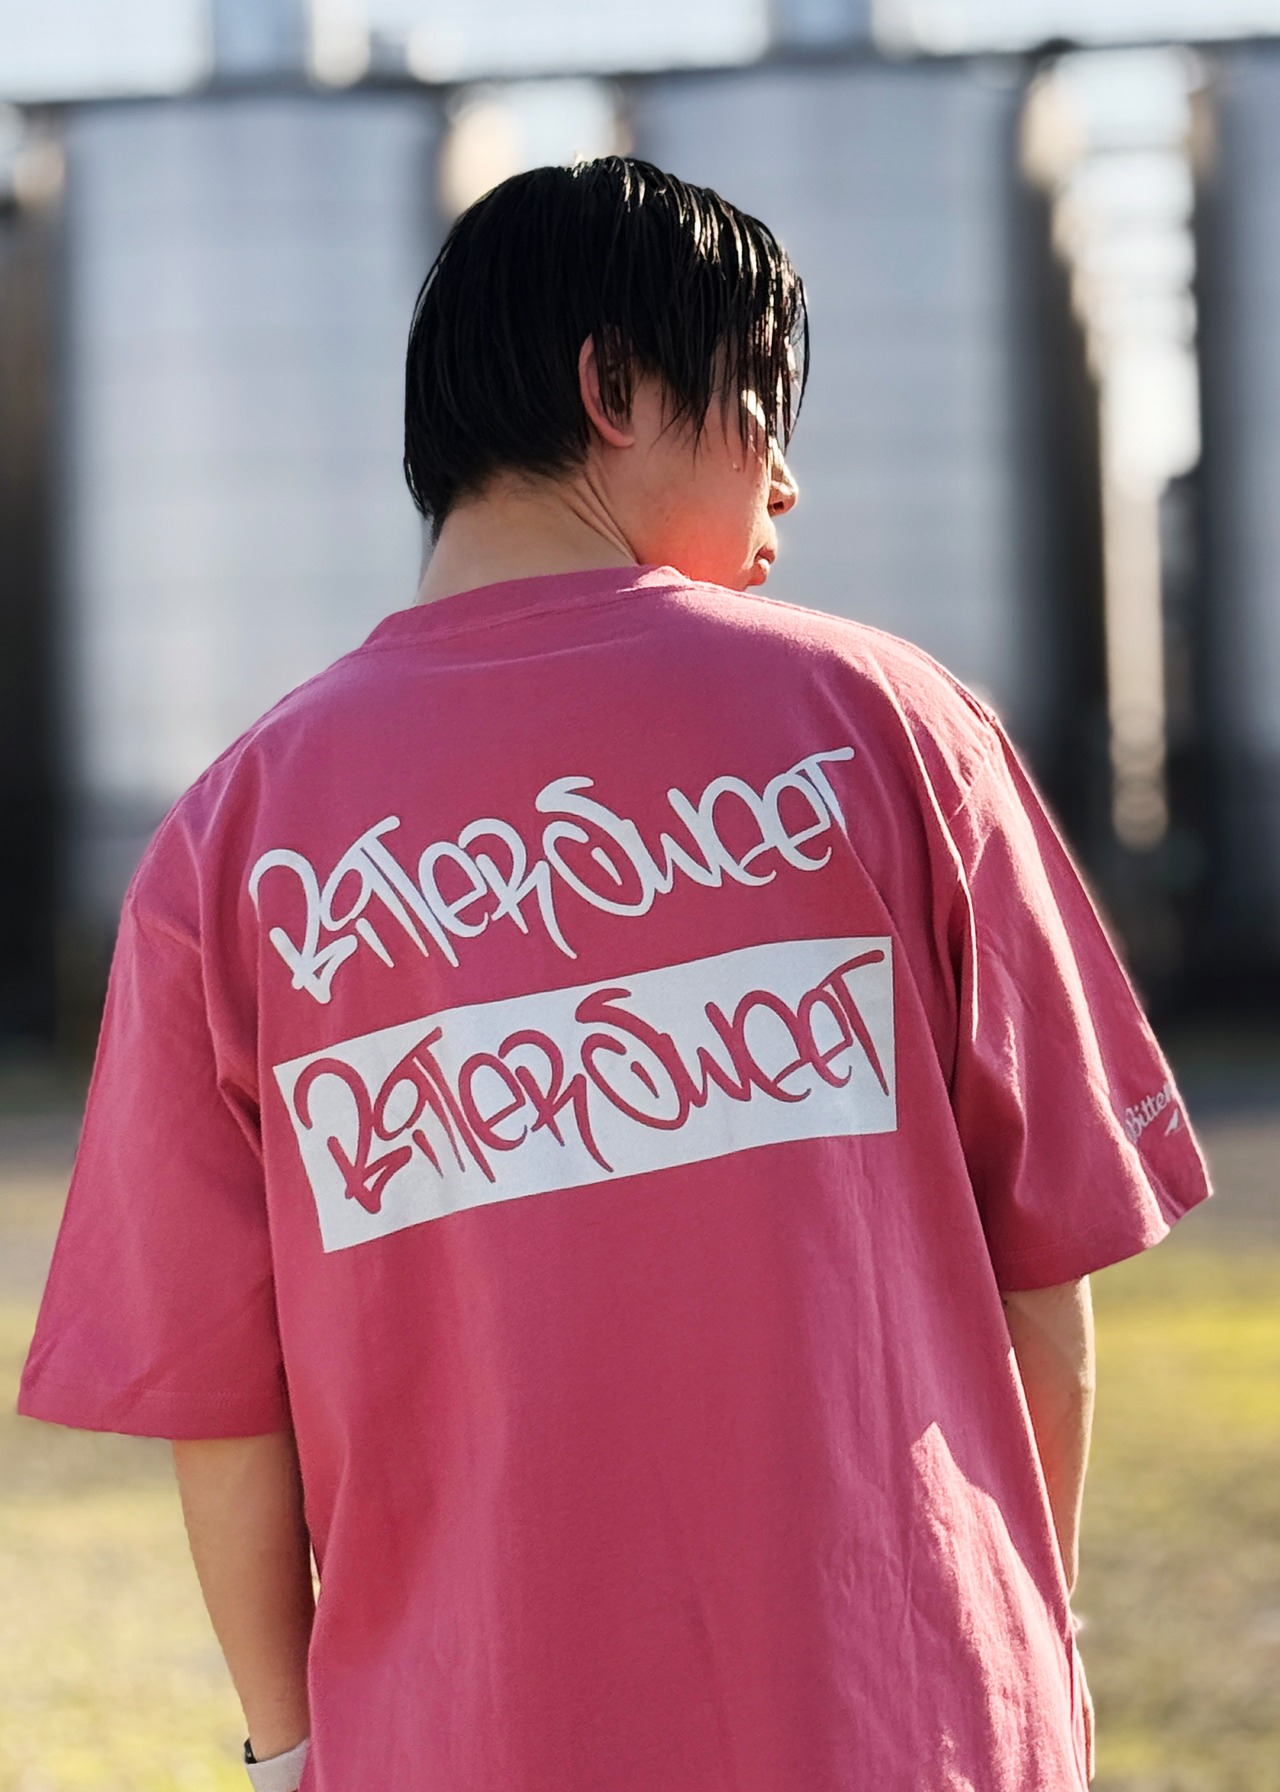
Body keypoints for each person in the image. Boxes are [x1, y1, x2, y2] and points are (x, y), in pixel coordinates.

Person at [19, 156, 1211, 1792]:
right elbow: (1041, 1290)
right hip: (906, 1723)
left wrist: (294, 1755)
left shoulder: (233, 841)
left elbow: (224, 1407)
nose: (788, 482)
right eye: (764, 408)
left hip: (466, 1745)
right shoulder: (894, 726)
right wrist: (1019, 1651)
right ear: (619, 388)